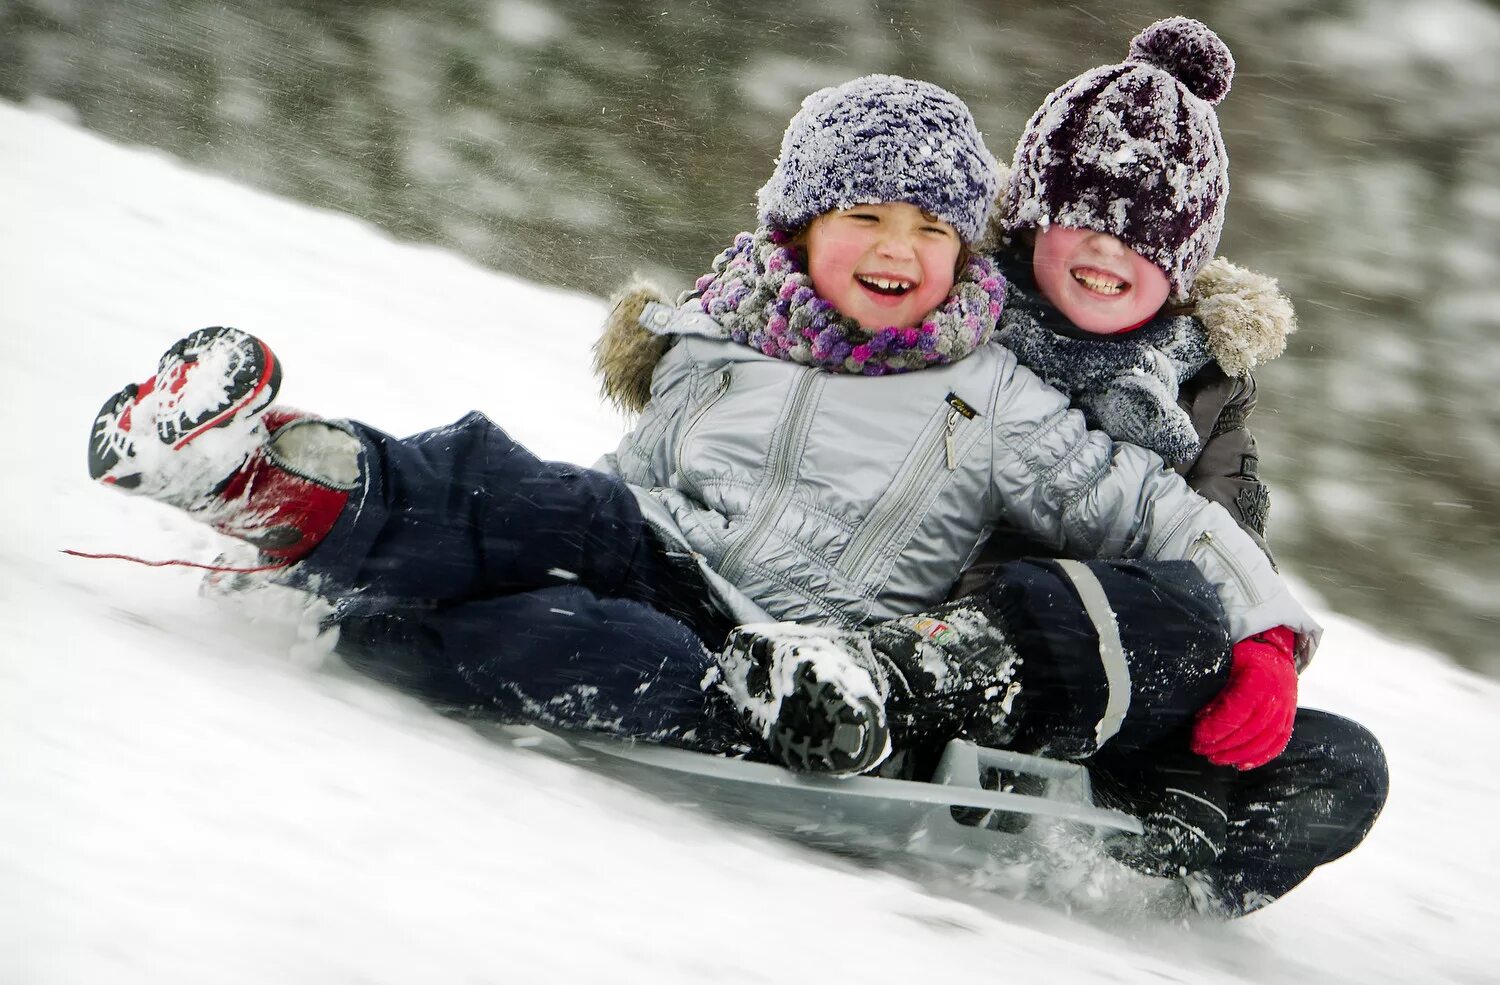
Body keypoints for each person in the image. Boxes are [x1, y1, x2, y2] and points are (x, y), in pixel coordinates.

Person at [86, 70, 1326, 912]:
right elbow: (630, 480)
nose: (898, 250)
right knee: (519, 491)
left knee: (608, 650)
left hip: (779, 639)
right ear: (795, 228)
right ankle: (270, 475)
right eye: (864, 215)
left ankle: (399, 628)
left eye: (931, 229)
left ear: (969, 251)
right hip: (651, 536)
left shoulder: (994, 391)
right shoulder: (722, 330)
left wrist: (1268, 631)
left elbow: (1169, 519)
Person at [711, 18, 1383, 917]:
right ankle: (880, 700)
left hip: (1122, 666)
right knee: (1117, 603)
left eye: (1145, 237)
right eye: (1084, 220)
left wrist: (1259, 655)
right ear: (1031, 216)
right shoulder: (958, 305)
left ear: (1182, 266)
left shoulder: (1204, 387)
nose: (1109, 252)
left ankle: (1138, 861)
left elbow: (1223, 534)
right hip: (931, 617)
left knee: (1339, 764)